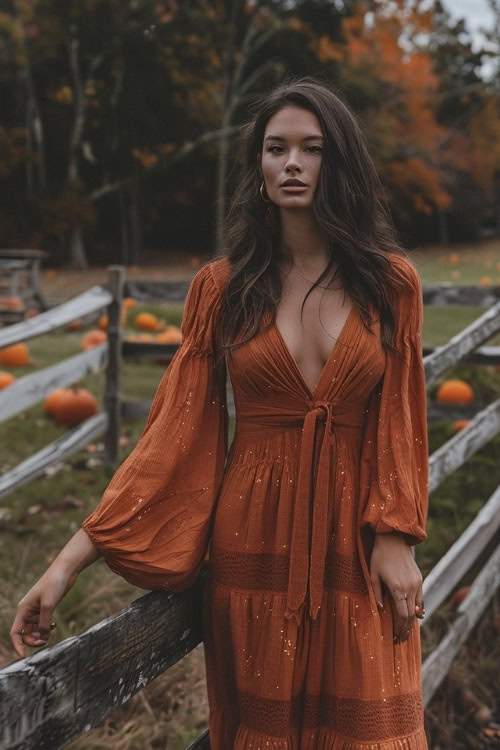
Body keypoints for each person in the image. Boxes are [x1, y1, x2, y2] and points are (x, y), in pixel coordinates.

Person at [11, 77, 429, 749]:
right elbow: (172, 437)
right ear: (258, 168)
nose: (292, 163)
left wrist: (397, 537)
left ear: (340, 161)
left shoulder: (390, 283)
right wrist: (66, 564)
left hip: (355, 544)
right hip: (252, 545)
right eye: (275, 148)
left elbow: (402, 422)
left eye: (312, 148)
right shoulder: (222, 289)